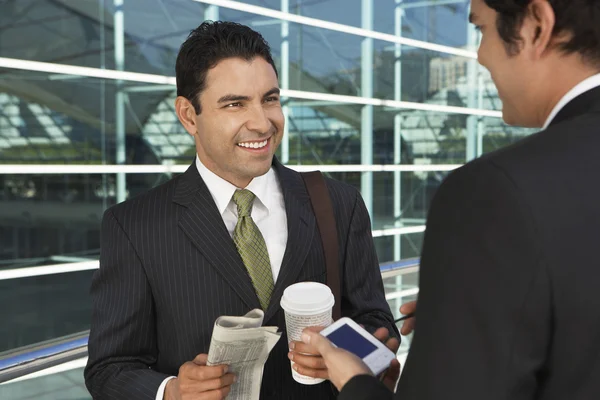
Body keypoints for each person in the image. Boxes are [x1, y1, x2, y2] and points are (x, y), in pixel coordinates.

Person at [293, 0, 600, 399]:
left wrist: (355, 382)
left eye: (481, 29)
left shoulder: (493, 191)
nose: (480, 55)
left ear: (536, 27)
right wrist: (488, 298)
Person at [83, 21, 399, 400]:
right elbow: (108, 369)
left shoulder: (338, 204)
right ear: (188, 116)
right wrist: (171, 391)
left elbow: (377, 320)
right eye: (235, 104)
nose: (262, 122)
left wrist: (362, 352)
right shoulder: (134, 226)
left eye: (270, 99)